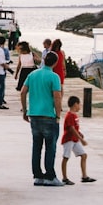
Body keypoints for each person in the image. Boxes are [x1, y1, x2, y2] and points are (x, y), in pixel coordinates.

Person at [19, 51, 64, 186]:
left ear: (43, 59)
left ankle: (38, 176)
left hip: (34, 115)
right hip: (48, 116)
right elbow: (57, 96)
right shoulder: (54, 77)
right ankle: (50, 176)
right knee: (50, 147)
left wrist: (25, 110)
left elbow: (23, 92)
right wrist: (58, 115)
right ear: (55, 63)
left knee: (36, 146)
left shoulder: (33, 75)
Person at [61, 95, 95, 185]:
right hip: (69, 139)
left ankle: (84, 176)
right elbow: (71, 129)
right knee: (66, 157)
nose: (80, 106)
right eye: (79, 104)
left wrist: (79, 134)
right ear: (75, 104)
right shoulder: (70, 116)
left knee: (83, 155)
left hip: (75, 139)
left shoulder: (74, 115)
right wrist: (81, 139)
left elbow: (75, 128)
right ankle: (64, 178)